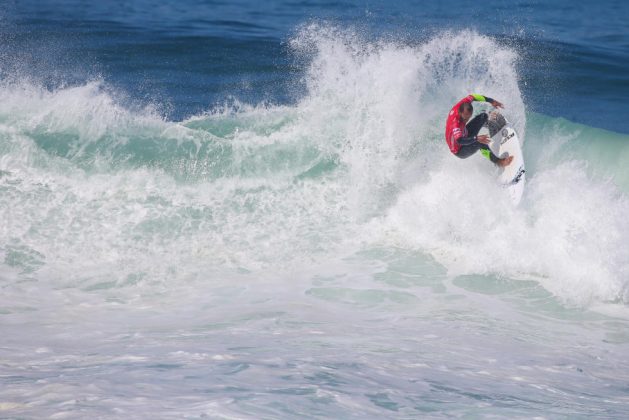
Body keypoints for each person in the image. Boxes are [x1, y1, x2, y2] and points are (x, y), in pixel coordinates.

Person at [445, 94, 513, 167]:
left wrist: (491, 101)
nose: (466, 120)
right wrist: (476, 138)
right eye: (464, 118)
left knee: (483, 116)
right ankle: (498, 162)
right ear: (460, 113)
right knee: (479, 143)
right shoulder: (455, 124)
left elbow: (473, 96)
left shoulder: (462, 105)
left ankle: (492, 128)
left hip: (465, 133)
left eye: (468, 118)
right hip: (460, 149)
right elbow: (460, 140)